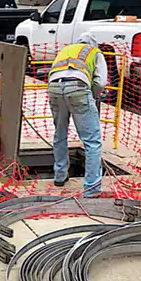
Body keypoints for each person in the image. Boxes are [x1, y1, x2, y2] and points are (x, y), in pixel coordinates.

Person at [48, 33, 108, 196]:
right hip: (78, 88)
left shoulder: (66, 50)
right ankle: (92, 188)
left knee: (59, 134)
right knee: (92, 141)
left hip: (54, 88)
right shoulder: (94, 52)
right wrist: (93, 95)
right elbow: (101, 81)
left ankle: (60, 175)